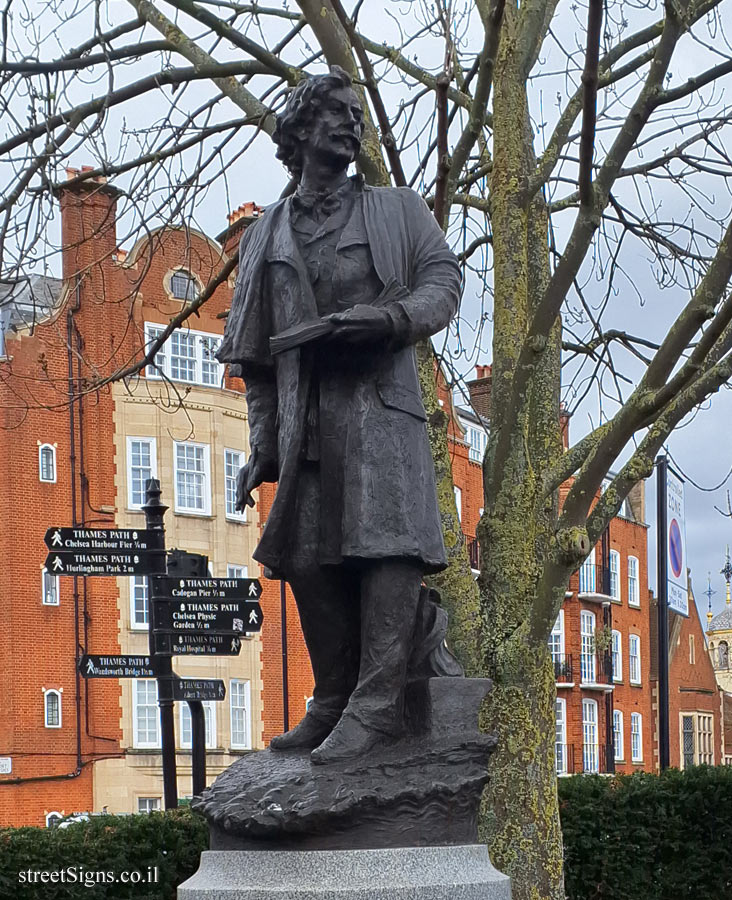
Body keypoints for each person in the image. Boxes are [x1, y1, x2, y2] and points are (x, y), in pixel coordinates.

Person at [217, 66, 461, 764]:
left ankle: (378, 707)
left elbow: (443, 281)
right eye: (336, 113)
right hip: (307, 419)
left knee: (386, 547)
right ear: (299, 131)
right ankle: (333, 697)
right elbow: (255, 358)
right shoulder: (266, 234)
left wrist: (389, 319)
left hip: (380, 410)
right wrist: (264, 444)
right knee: (304, 559)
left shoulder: (396, 209)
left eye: (357, 114)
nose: (352, 123)